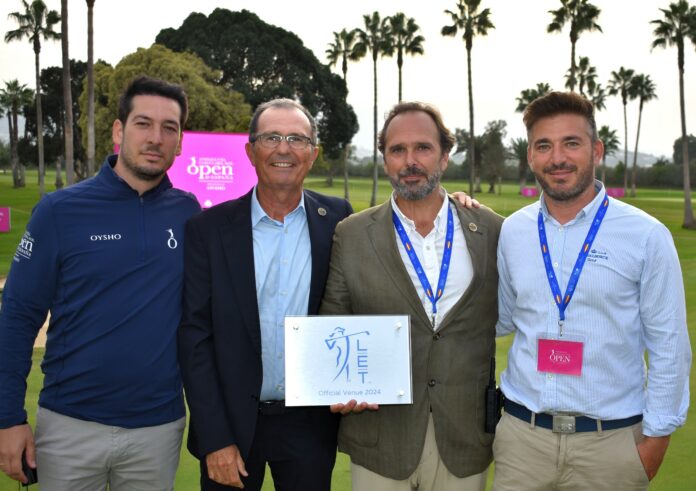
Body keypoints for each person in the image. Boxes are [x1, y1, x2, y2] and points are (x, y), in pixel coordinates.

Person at [0, 76, 201, 489]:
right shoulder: (59, 210)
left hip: (157, 430)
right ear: (118, 130)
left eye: (169, 128)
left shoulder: (189, 213)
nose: (156, 138)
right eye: (143, 123)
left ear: (180, 142)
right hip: (69, 426)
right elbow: (18, 317)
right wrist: (7, 418)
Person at [493, 91, 691, 491]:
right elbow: (499, 319)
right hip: (522, 443)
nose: (557, 158)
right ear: (530, 156)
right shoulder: (512, 231)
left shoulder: (645, 235)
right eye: (543, 145)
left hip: (611, 445)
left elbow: (670, 347)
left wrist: (654, 442)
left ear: (596, 150)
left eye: (572, 143)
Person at [320, 101, 503, 491]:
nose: (410, 161)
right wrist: (337, 385)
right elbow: (332, 324)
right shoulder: (351, 234)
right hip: (380, 436)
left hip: (464, 439)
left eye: (422, 148)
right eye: (397, 150)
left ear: (445, 155)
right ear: (385, 160)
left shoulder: (490, 230)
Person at [178, 98, 353, 490]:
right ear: (250, 151)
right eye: (271, 137)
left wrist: (455, 204)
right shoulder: (207, 229)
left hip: (309, 425)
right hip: (232, 428)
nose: (284, 149)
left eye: (297, 138)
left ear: (313, 153)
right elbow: (195, 338)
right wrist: (215, 437)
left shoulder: (339, 219)